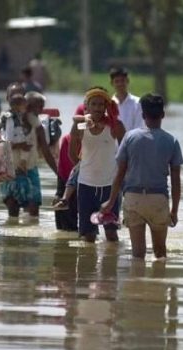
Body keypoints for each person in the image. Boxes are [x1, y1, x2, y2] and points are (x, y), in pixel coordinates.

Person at [102, 93, 183, 258]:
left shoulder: (130, 137)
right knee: (160, 253)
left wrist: (110, 201)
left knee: (138, 254)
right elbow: (176, 181)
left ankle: (138, 275)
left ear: (143, 115)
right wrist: (174, 210)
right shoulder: (172, 141)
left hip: (133, 197)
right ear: (163, 115)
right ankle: (159, 274)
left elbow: (120, 173)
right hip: (158, 199)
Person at [69, 86, 125, 242]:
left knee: (111, 234)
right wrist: (83, 167)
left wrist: (122, 177)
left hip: (110, 186)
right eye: (93, 104)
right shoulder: (81, 125)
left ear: (106, 106)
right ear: (87, 106)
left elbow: (126, 154)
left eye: (101, 104)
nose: (97, 108)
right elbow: (71, 153)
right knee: (89, 236)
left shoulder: (115, 126)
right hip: (86, 185)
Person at [0, 86, 58, 218]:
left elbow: (46, 150)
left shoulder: (34, 121)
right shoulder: (3, 119)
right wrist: (18, 144)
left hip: (30, 170)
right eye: (13, 98)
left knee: (33, 211)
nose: (17, 100)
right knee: (13, 212)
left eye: (20, 97)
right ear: (8, 99)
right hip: (9, 171)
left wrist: (59, 173)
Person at [109, 66, 144, 132]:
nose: (120, 84)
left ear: (127, 81)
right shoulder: (108, 104)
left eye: (122, 80)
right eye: (116, 81)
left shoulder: (137, 103)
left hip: (133, 138)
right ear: (112, 83)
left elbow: (139, 127)